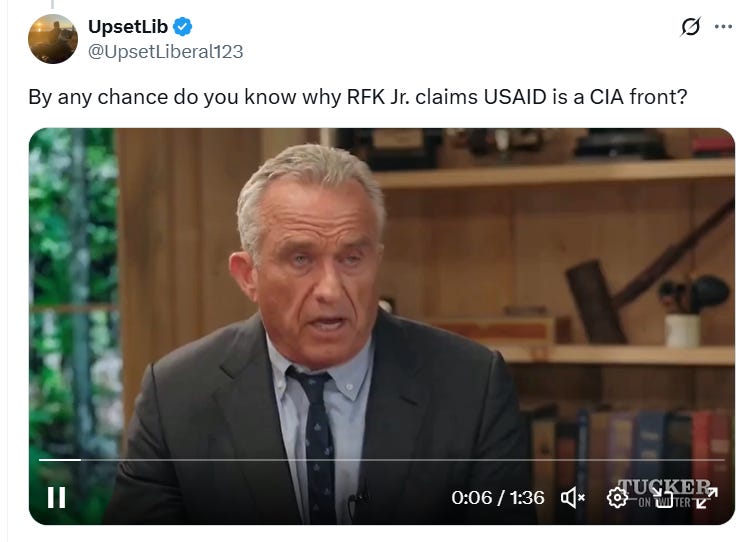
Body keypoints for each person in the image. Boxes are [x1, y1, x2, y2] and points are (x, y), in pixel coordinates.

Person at [104, 144, 535, 525]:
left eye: (351, 258)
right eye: (300, 259)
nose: (330, 289)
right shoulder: (176, 396)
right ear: (248, 275)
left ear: (376, 261)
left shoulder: (471, 386)